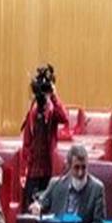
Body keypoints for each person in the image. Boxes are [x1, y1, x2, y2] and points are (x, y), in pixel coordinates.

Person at [20, 64, 70, 207]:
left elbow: (64, 118)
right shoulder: (32, 111)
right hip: (33, 172)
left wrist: (53, 95)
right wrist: (23, 172)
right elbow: (26, 144)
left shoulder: (52, 111)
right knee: (30, 210)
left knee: (48, 210)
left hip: (49, 171)